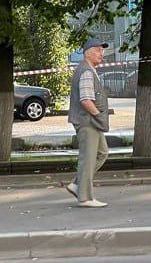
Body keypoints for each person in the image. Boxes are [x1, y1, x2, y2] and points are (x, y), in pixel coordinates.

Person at [65, 39, 110, 208]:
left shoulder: (89, 70)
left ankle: (77, 184)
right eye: (98, 50)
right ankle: (85, 198)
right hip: (87, 121)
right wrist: (99, 116)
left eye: (102, 51)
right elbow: (86, 100)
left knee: (102, 153)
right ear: (87, 53)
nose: (101, 54)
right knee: (88, 158)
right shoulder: (86, 72)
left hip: (90, 121)